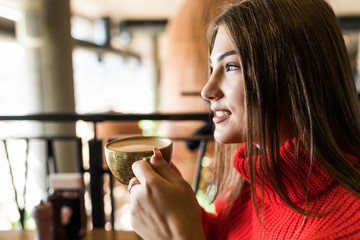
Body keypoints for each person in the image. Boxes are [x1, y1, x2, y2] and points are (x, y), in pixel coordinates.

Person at [127, 0, 360, 239]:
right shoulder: (255, 184)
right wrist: (177, 209)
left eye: (231, 66)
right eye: (212, 67)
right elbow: (225, 234)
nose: (207, 91)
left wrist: (175, 234)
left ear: (296, 76)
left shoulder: (346, 226)